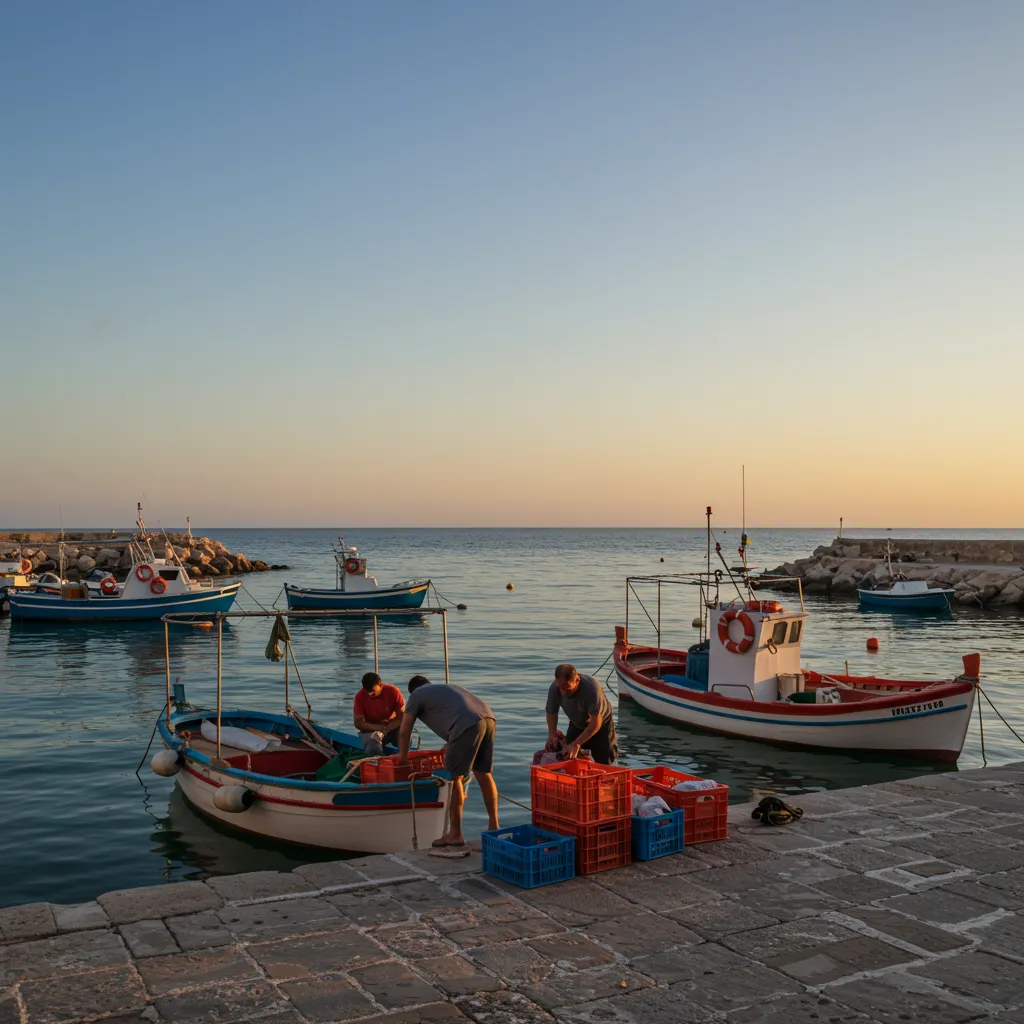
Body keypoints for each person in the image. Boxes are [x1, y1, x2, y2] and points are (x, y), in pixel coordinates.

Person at [397, 675, 499, 847]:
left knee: (455, 778)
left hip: (466, 725)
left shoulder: (416, 695)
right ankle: (494, 828)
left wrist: (403, 758)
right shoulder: (444, 688)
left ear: (412, 691)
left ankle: (455, 834)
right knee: (484, 774)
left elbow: (404, 730)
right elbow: (456, 711)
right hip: (488, 719)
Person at [546, 663, 618, 764]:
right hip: (578, 721)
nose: (563, 693)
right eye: (560, 688)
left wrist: (577, 743)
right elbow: (551, 712)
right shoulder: (554, 688)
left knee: (603, 758)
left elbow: (595, 723)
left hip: (600, 722)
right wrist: (552, 734)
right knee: (567, 753)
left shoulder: (591, 688)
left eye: (568, 689)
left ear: (577, 680)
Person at [353, 672, 405, 755]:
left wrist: (387, 729)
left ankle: (403, 757)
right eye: (367, 691)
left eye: (373, 691)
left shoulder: (393, 692)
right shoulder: (360, 696)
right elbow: (358, 722)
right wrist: (375, 728)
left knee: (405, 736)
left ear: (380, 685)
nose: (370, 694)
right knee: (374, 747)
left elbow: (403, 718)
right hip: (371, 730)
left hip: (392, 727)